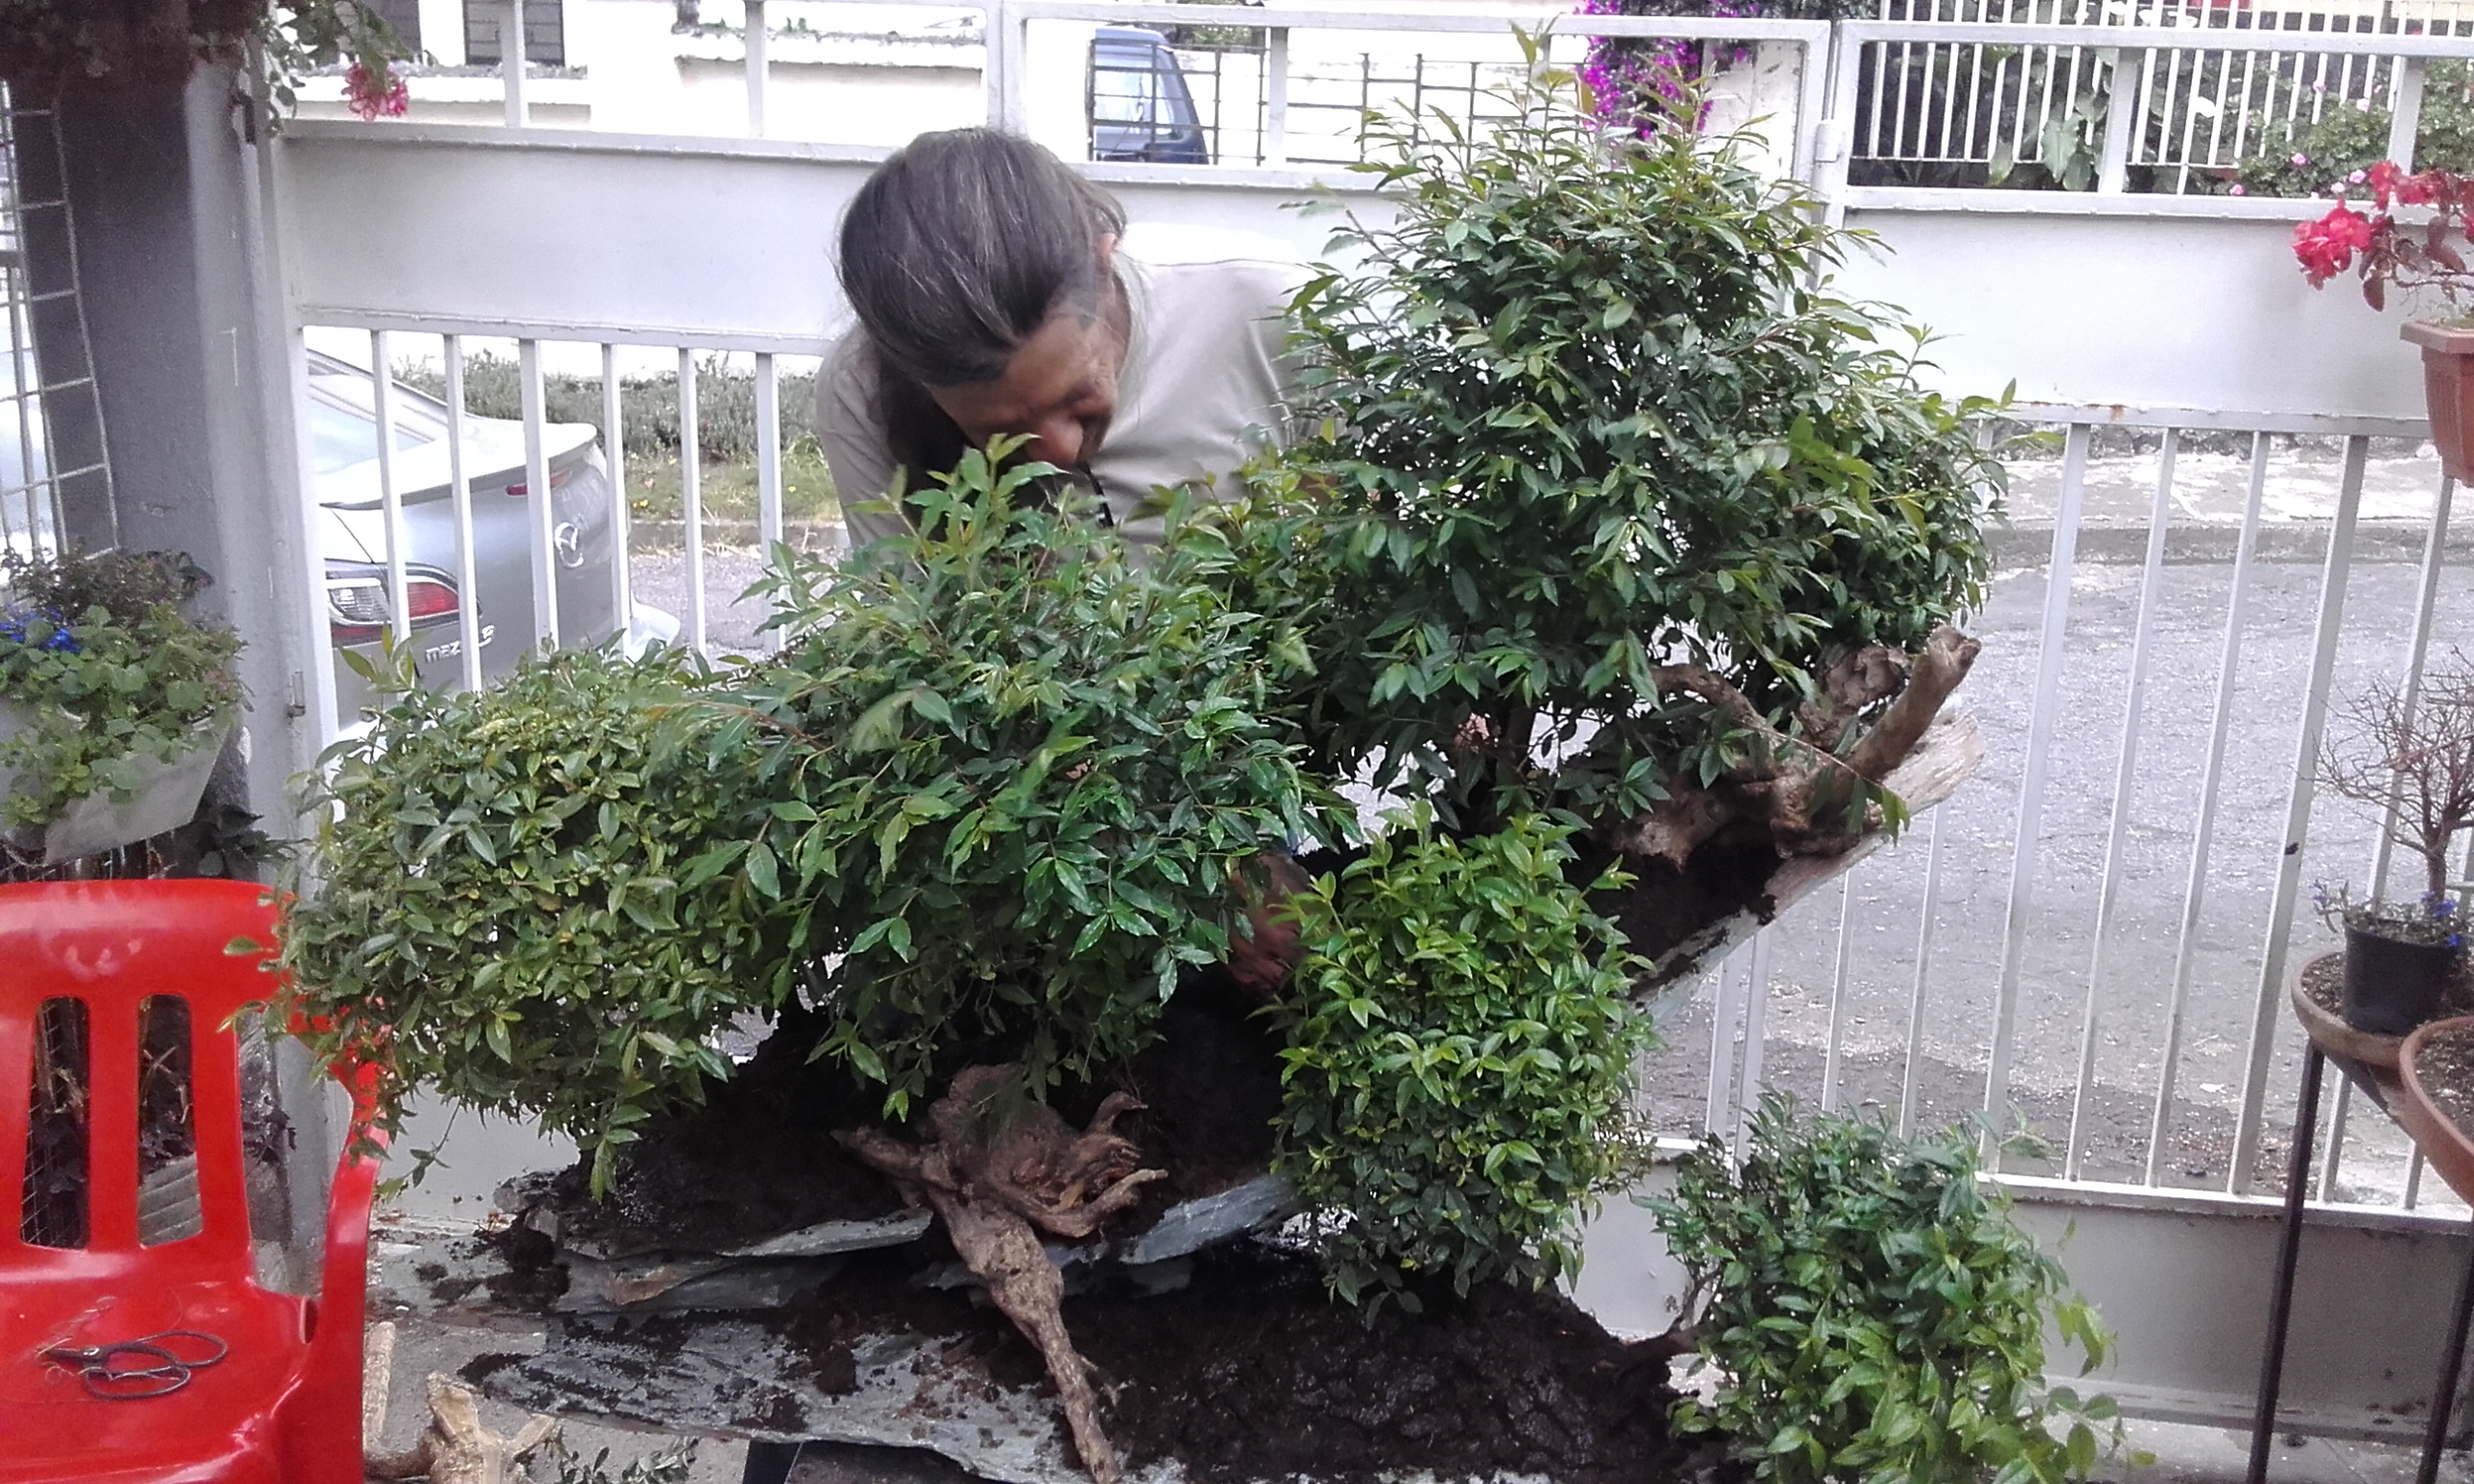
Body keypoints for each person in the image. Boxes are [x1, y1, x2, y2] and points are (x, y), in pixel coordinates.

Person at [817, 127, 1301, 550]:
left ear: (1103, 262)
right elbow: (912, 630)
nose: (1060, 451)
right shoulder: (861, 389)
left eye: (1078, 396)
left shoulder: (1269, 306)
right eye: (1001, 433)